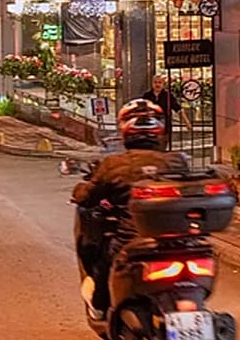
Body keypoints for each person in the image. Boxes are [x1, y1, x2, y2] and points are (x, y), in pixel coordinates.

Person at [71, 99, 190, 321]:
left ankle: (100, 305)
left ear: (126, 130)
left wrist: (79, 191)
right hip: (178, 240)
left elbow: (86, 195)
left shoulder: (114, 165)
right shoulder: (177, 161)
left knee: (102, 262)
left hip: (131, 241)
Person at [138, 75, 192, 145]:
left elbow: (178, 109)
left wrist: (187, 122)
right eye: (155, 82)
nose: (157, 84)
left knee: (162, 146)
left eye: (159, 82)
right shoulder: (147, 95)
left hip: (165, 127)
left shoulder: (168, 96)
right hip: (150, 127)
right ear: (152, 83)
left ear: (163, 84)